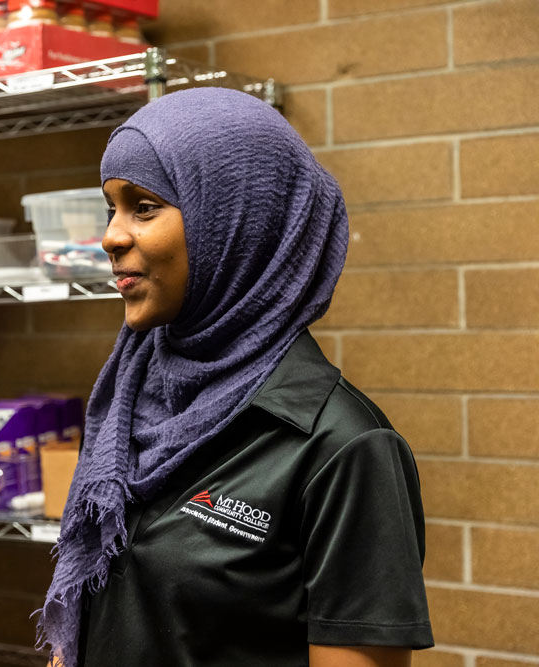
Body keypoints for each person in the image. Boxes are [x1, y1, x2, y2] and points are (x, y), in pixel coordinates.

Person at [37, 88, 433, 667]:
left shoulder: (342, 447)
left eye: (143, 206)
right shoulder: (126, 399)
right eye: (111, 209)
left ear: (234, 222)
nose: (111, 237)